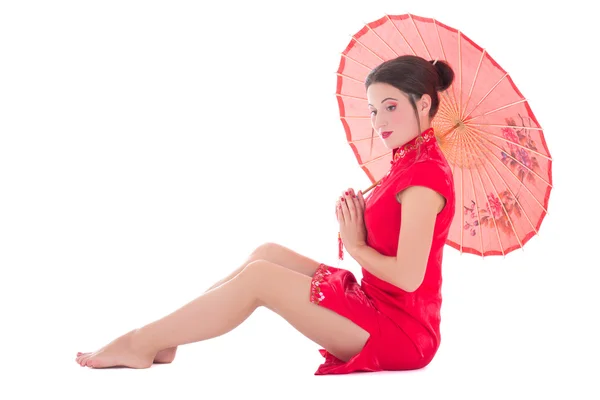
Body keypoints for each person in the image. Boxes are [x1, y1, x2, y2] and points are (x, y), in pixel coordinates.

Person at [75, 54, 456, 375]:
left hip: (402, 334)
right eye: (375, 110)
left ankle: (142, 342)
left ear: (423, 104)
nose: (379, 122)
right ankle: (165, 338)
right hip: (377, 305)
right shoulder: (407, 165)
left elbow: (408, 279)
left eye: (391, 107)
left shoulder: (423, 177)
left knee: (261, 279)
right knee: (267, 253)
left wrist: (355, 245)